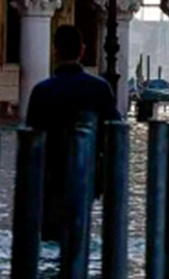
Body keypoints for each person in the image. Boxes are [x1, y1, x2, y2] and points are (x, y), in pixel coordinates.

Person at [26, 25, 122, 242]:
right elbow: (113, 132)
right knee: (78, 233)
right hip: (85, 171)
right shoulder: (99, 88)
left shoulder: (42, 91)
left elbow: (32, 137)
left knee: (50, 233)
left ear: (55, 51)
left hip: (50, 175)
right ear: (82, 50)